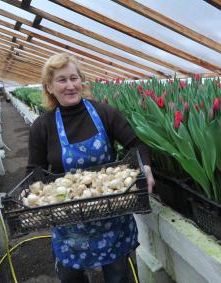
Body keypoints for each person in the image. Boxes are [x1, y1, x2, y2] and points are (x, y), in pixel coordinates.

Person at [26, 53, 155, 283]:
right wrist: (32, 194)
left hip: (112, 215)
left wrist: (145, 167)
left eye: (74, 78)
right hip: (68, 222)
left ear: (82, 80)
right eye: (62, 80)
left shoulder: (104, 113)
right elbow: (34, 169)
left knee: (118, 276)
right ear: (49, 86)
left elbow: (136, 145)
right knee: (71, 277)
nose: (70, 85)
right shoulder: (42, 126)